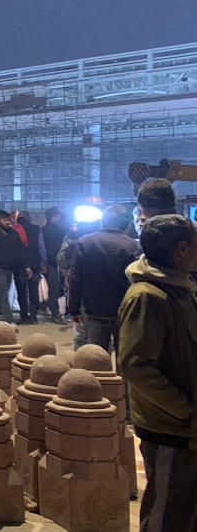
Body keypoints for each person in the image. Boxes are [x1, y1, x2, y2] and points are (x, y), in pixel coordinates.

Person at [118, 214, 197, 531]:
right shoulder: (147, 296)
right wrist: (185, 410)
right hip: (169, 426)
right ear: (182, 249)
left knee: (185, 508)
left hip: (184, 425)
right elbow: (135, 364)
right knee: (166, 512)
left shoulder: (178, 287)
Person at [67, 205, 137, 357]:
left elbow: (75, 278)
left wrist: (74, 309)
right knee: (125, 357)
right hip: (124, 310)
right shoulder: (133, 245)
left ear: (103, 221)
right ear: (127, 224)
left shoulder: (84, 242)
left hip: (95, 309)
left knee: (96, 357)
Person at [40, 207, 67, 324]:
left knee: (56, 288)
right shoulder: (59, 230)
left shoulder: (44, 230)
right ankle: (55, 313)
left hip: (51, 262)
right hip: (54, 263)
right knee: (55, 287)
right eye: (56, 216)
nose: (58, 218)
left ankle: (53, 310)